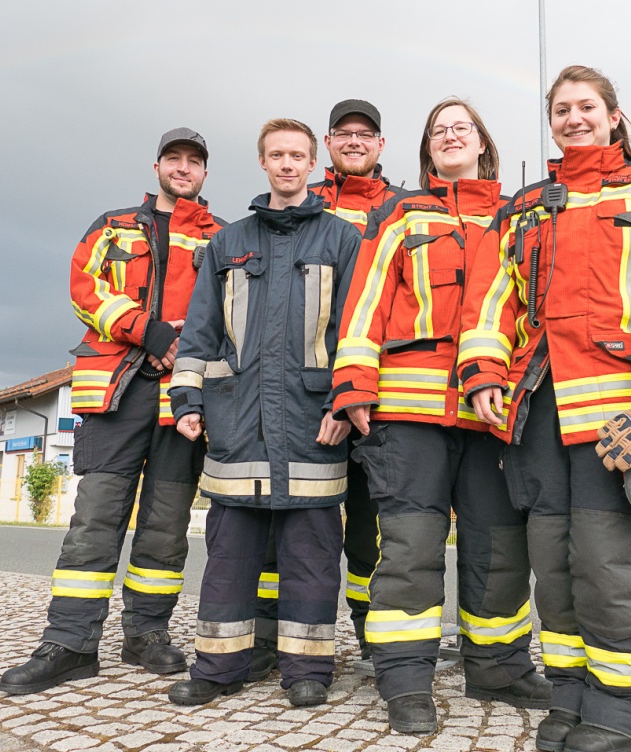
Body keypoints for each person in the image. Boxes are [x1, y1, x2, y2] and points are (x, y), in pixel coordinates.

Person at [458, 66, 631, 752]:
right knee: (552, 565)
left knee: (608, 563)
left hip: (622, 412)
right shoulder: (524, 206)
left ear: (614, 116)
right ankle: (573, 694)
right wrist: (486, 370)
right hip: (540, 413)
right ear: (551, 121)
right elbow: (491, 300)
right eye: (562, 109)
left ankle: (627, 707)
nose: (574, 118)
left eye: (587, 107)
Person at [332, 98, 551, 734]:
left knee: (498, 546)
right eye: (438, 130)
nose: (450, 136)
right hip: (409, 411)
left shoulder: (517, 216)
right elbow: (366, 299)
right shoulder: (400, 214)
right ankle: (403, 679)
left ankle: (499, 667)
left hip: (493, 412)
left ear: (483, 144)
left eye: (462, 127)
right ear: (428, 151)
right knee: (409, 547)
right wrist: (354, 385)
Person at [0, 128, 224, 695]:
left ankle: (146, 636)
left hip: (186, 398)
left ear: (203, 173)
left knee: (167, 525)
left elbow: (230, 306)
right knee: (95, 519)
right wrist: (147, 331)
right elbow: (83, 288)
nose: (183, 168)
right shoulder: (112, 226)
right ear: (156, 168)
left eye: (193, 161)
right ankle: (70, 643)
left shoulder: (222, 237)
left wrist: (189, 348)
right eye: (174, 158)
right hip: (115, 393)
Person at [166, 118, 361, 709]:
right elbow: (199, 331)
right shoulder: (228, 242)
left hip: (313, 425)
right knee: (228, 557)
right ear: (262, 162)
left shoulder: (342, 239)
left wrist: (346, 403)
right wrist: (187, 399)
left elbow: (355, 332)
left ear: (311, 162)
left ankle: (307, 671)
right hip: (237, 424)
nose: (287, 164)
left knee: (312, 559)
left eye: (297, 155)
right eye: (276, 154)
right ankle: (218, 669)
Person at [249, 99, 403, 681]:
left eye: (367, 133)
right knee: (280, 526)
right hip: (297, 398)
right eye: (344, 133)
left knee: (371, 529)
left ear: (381, 144)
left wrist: (360, 385)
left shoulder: (398, 209)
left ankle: (373, 638)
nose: (355, 142)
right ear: (326, 146)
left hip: (373, 394)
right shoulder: (298, 207)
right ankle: (270, 638)